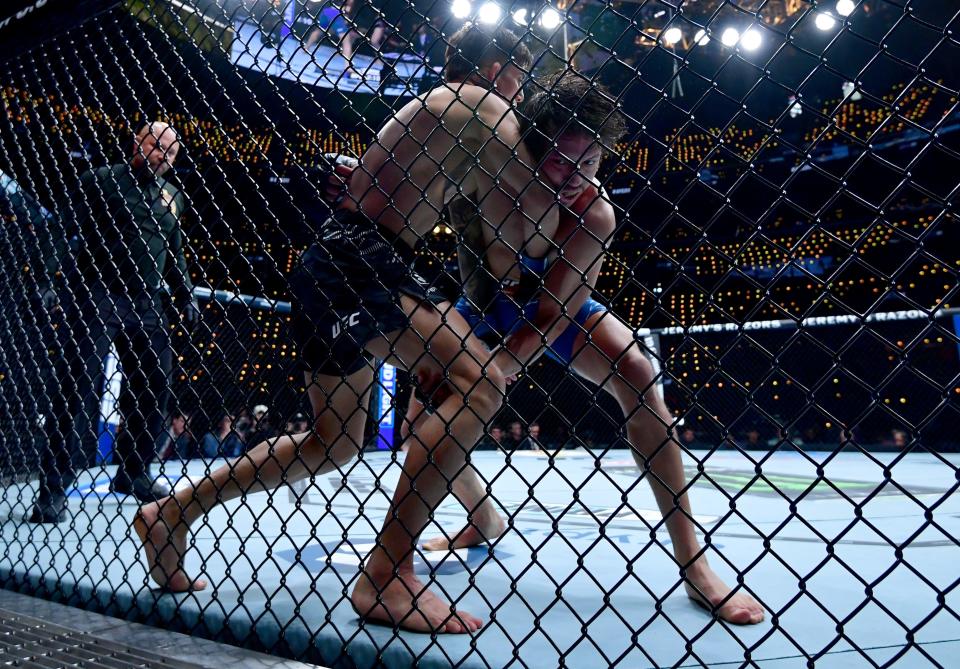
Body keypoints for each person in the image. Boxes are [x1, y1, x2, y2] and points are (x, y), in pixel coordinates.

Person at [134, 23, 552, 634]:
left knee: (334, 441)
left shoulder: (438, 115)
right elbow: (535, 206)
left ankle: (171, 512)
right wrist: (590, 199)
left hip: (341, 261)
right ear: (495, 67)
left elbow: (482, 223)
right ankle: (386, 575)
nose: (522, 91)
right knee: (483, 383)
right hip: (364, 261)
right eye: (520, 76)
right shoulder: (478, 103)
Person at [394, 72, 765, 624]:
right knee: (420, 418)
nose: (574, 177)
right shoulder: (486, 176)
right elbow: (418, 181)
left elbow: (557, 313)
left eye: (589, 163)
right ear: (531, 148)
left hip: (556, 309)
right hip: (482, 305)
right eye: (562, 162)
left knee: (638, 373)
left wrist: (501, 364)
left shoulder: (593, 214)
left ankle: (694, 564)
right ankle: (482, 518)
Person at [29, 122, 200, 524]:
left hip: (147, 300)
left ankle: (134, 472)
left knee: (157, 383)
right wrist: (47, 277)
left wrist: (186, 292)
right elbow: (63, 227)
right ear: (137, 143)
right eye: (157, 146)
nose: (164, 156)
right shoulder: (102, 180)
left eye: (172, 153)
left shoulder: (173, 196)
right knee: (77, 385)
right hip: (97, 291)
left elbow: (174, 251)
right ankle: (53, 486)